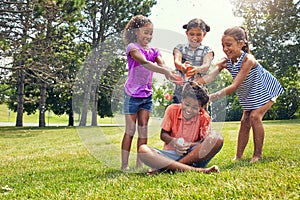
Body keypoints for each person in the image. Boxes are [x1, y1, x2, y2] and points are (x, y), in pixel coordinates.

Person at [197, 26, 285, 162]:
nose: (225, 49)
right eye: (223, 45)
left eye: (228, 45)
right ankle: (238, 156)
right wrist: (197, 83)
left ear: (241, 44)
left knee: (255, 117)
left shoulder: (248, 60)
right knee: (245, 121)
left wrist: (211, 97)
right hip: (250, 94)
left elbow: (235, 85)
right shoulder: (226, 62)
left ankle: (257, 155)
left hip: (267, 90)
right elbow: (210, 76)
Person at [121, 15, 180, 170]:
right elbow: (145, 63)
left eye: (150, 33)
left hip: (146, 96)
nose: (148, 36)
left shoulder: (154, 51)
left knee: (143, 129)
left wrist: (171, 73)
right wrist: (164, 71)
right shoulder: (132, 48)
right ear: (135, 32)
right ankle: (124, 165)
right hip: (131, 95)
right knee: (130, 130)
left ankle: (140, 164)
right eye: (145, 32)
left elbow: (162, 64)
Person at [138, 82, 223, 174]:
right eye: (187, 104)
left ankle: (168, 168)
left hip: (193, 157)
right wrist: (174, 142)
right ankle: (197, 170)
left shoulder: (204, 117)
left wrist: (188, 145)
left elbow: (203, 143)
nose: (189, 110)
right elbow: (163, 135)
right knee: (143, 150)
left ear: (201, 107)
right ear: (182, 100)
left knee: (217, 138)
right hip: (171, 155)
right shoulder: (172, 110)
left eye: (195, 107)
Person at [172, 18, 214, 103]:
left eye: (198, 34)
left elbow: (206, 65)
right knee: (177, 114)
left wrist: (197, 69)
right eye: (191, 34)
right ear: (187, 34)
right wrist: (182, 66)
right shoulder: (180, 48)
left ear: (204, 34)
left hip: (198, 95)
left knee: (198, 115)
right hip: (180, 93)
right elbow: (177, 61)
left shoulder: (207, 50)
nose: (195, 37)